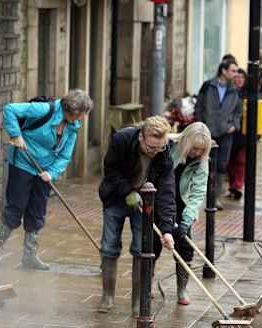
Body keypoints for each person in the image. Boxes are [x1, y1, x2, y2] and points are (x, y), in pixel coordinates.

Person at [0, 89, 93, 270]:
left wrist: (51, 173)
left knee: (37, 211)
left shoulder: (72, 128)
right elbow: (10, 110)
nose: (80, 119)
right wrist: (16, 135)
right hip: (23, 162)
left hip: (44, 172)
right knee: (16, 207)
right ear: (72, 110)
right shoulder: (44, 110)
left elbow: (64, 156)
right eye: (80, 115)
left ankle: (29, 257)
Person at [97, 115, 176, 317]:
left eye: (159, 148)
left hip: (145, 202)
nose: (154, 152)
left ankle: (137, 302)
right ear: (141, 137)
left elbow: (167, 192)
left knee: (141, 249)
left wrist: (167, 229)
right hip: (116, 196)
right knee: (109, 245)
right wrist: (128, 192)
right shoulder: (122, 139)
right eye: (151, 148)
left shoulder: (165, 152)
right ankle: (107, 296)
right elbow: (111, 171)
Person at [152, 122, 211, 305]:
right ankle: (147, 284)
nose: (198, 153)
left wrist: (186, 221)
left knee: (185, 246)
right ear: (186, 141)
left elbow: (198, 192)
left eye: (202, 149)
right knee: (152, 245)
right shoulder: (168, 146)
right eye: (195, 148)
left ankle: (182, 289)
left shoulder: (202, 161)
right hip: (158, 200)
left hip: (181, 205)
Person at [194, 57, 243, 210]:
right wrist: (201, 124)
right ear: (224, 71)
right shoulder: (208, 86)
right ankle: (200, 195)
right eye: (233, 71)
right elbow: (199, 107)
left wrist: (234, 125)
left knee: (222, 164)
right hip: (207, 132)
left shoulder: (235, 90)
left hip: (226, 133)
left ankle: (215, 199)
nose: (236, 74)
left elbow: (238, 111)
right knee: (204, 164)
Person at [227, 67, 247, 200]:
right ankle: (233, 185)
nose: (239, 80)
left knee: (241, 160)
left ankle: (238, 185)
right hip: (231, 132)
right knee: (230, 160)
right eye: (237, 77)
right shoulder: (229, 93)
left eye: (242, 77)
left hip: (244, 134)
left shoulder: (249, 94)